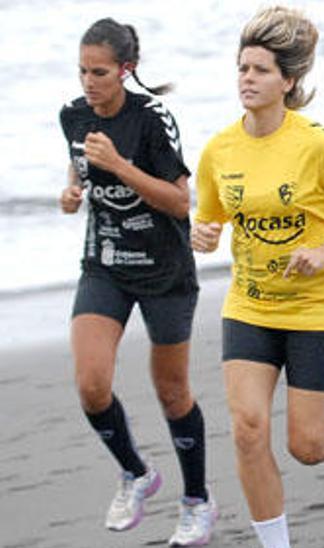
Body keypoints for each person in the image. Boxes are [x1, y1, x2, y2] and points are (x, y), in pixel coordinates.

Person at [189, 7, 324, 548]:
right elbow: (210, 219)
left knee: (305, 444)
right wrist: (202, 235)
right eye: (242, 69)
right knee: (247, 429)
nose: (247, 80)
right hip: (251, 304)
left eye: (259, 71)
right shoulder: (219, 150)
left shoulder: (320, 146)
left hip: (318, 308)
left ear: (289, 81)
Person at [58, 18, 216, 546]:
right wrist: (71, 191)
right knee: (90, 384)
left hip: (164, 270)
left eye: (99, 71)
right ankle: (137, 474)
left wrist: (122, 167)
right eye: (82, 70)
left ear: (126, 70)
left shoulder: (152, 118)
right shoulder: (72, 116)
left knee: (172, 393)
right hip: (104, 263)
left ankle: (197, 501)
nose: (88, 81)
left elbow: (179, 201)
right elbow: (80, 169)